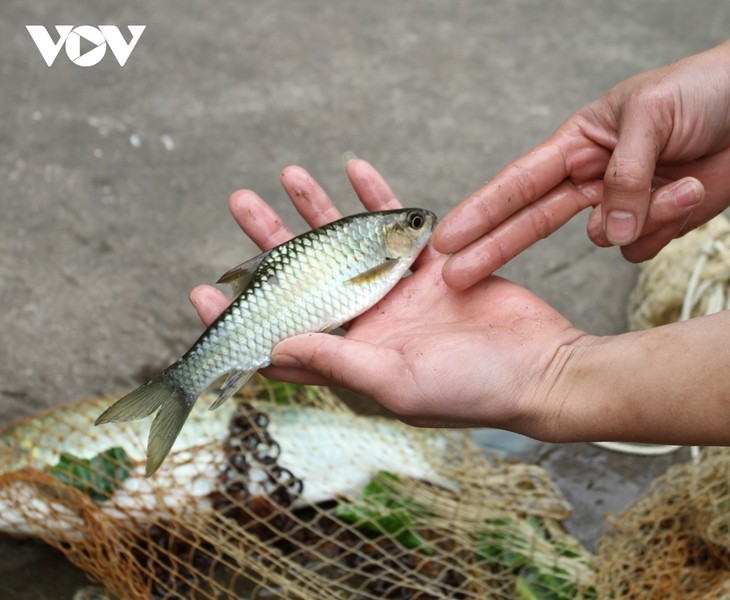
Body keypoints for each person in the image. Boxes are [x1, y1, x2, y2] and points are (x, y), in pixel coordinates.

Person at [190, 40, 730, 446]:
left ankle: (188, 382)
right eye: (417, 223)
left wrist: (553, 377)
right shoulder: (384, 253)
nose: (426, 226)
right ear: (396, 237)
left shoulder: (390, 257)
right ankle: (186, 383)